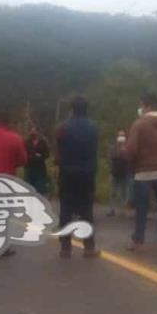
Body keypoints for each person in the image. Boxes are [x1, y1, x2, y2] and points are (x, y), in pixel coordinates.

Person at [125, 93, 157, 251]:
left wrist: (132, 165)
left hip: (143, 172)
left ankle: (138, 240)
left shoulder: (139, 124)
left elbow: (131, 149)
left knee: (141, 208)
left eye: (141, 105)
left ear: (146, 106)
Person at [55, 97, 100, 259]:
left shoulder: (63, 128)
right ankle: (89, 246)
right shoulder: (93, 128)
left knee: (66, 209)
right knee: (86, 210)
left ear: (72, 109)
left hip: (67, 173)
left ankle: (65, 248)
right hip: (87, 173)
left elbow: (58, 151)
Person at [107, 129, 130, 217]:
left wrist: (124, 150)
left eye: (123, 136)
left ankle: (123, 211)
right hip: (115, 173)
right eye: (120, 136)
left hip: (125, 173)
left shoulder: (128, 147)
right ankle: (112, 210)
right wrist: (118, 150)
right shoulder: (113, 147)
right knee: (113, 192)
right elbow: (110, 157)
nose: (121, 138)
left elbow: (129, 158)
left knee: (124, 193)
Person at [24, 127, 51, 195]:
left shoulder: (43, 142)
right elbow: (24, 154)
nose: (33, 133)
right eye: (32, 131)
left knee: (40, 190)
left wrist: (39, 156)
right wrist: (34, 156)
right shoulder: (26, 142)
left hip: (40, 168)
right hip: (29, 168)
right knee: (29, 189)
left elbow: (47, 154)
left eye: (35, 131)